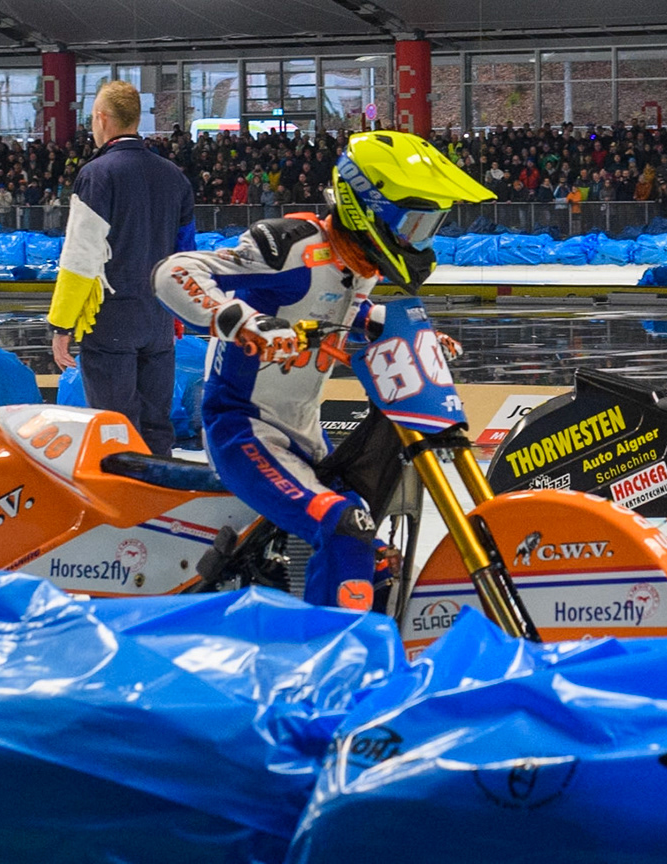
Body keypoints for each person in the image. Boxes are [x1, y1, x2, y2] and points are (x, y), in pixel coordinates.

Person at [153, 131, 492, 611]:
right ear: (369, 209)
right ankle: (328, 662)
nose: (421, 240)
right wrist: (242, 321)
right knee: (344, 525)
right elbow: (175, 271)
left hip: (306, 432)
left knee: (376, 552)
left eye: (429, 227)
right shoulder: (288, 248)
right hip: (242, 429)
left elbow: (337, 311)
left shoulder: (360, 266)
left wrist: (398, 331)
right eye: (415, 225)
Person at [48, 79, 196, 456]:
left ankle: (123, 510)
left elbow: (80, 257)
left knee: (115, 429)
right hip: (159, 319)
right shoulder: (173, 175)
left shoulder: (98, 174)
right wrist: (179, 314)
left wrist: (62, 324)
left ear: (101, 119)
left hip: (111, 317)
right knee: (156, 426)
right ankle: (161, 502)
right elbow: (186, 255)